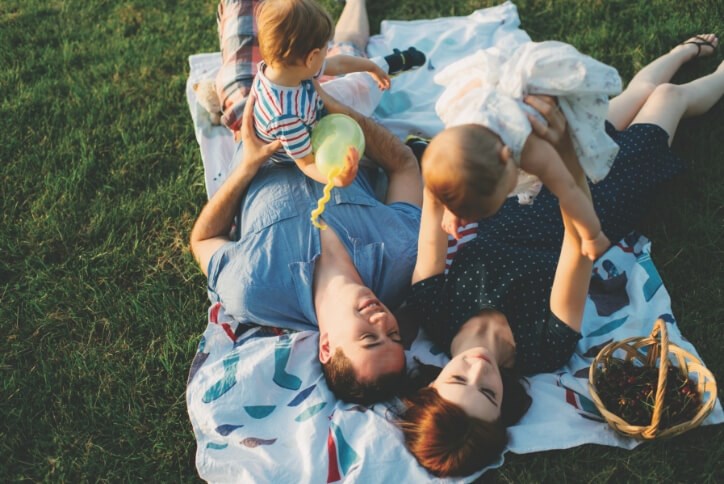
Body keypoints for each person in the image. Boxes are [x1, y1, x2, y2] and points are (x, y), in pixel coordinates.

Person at [396, 34, 721, 477]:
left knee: (630, 99)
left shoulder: (434, 311)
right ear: (503, 404)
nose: (477, 370)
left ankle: (682, 51)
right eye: (489, 393)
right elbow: (576, 244)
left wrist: (453, 166)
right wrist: (565, 164)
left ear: (432, 383)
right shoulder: (544, 348)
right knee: (666, 99)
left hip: (521, 190)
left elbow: (431, 222)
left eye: (457, 380)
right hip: (592, 200)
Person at [422, 40, 621, 260]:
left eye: (505, 193)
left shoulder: (528, 148)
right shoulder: (459, 133)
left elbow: (569, 189)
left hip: (539, 98)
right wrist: (454, 209)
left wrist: (592, 235)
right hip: (483, 95)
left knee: (586, 138)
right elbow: (455, 171)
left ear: (507, 157)